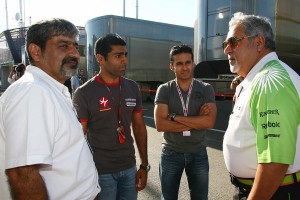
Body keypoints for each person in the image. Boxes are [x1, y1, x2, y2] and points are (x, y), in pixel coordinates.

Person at [0, 18, 100, 200]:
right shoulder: (33, 92)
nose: (75, 54)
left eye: (75, 46)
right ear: (36, 51)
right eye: (63, 46)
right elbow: (23, 174)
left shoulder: (47, 89)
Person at [223, 12, 300, 199]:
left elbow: (275, 162)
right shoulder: (256, 78)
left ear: (258, 43)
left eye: (233, 42)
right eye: (225, 44)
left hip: (274, 192)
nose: (226, 50)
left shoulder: (271, 82)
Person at [73, 33, 149, 200]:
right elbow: (79, 138)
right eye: (118, 56)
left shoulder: (132, 87)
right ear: (100, 58)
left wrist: (144, 165)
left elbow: (139, 127)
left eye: (125, 55)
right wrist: (84, 179)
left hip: (129, 168)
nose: (125, 60)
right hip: (100, 172)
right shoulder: (84, 93)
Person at [154, 44, 217, 200]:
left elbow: (209, 122)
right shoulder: (164, 90)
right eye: (179, 63)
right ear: (172, 66)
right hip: (171, 153)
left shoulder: (206, 89)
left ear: (193, 63)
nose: (184, 67)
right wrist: (197, 121)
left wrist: (175, 117)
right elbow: (160, 125)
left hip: (198, 153)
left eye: (188, 62)